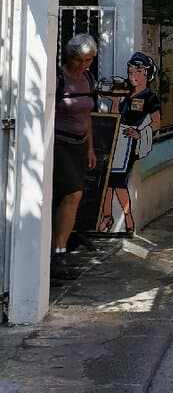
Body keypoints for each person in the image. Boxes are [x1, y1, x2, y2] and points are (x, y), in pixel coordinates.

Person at [51, 34, 99, 279]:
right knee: (73, 194)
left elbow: (87, 116)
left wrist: (90, 147)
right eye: (81, 60)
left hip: (80, 146)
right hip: (60, 145)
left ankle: (59, 247)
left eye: (89, 60)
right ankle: (59, 254)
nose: (84, 65)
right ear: (71, 57)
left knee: (70, 198)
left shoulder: (88, 79)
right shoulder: (59, 78)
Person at [99, 52, 162, 233]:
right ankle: (107, 217)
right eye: (130, 71)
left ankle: (127, 219)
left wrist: (140, 133)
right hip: (116, 139)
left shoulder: (149, 97)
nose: (132, 75)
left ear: (146, 74)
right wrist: (115, 102)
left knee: (118, 181)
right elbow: (116, 117)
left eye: (137, 71)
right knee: (107, 181)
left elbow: (156, 123)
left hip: (129, 144)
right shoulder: (125, 92)